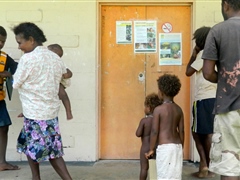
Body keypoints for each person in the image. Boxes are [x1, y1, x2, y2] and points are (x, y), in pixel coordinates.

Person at [12, 22, 72, 180]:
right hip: (50, 114)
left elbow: (16, 83)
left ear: (31, 40)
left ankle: (40, 178)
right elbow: (64, 82)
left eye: (20, 42)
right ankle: (37, 178)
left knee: (40, 150)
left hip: (34, 114)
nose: (19, 47)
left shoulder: (28, 59)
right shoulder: (55, 57)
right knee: (46, 148)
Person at [202, 1, 240, 179]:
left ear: (225, 5)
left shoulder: (217, 31)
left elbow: (208, 73)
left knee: (230, 167)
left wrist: (226, 79)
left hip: (228, 108)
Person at [185, 26, 216, 178]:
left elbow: (188, 71)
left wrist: (194, 53)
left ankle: (206, 167)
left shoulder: (203, 54)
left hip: (204, 98)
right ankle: (206, 166)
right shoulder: (216, 52)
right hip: (214, 97)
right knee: (206, 132)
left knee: (199, 133)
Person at [145, 74, 184, 180]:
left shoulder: (158, 110)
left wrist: (151, 149)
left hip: (165, 148)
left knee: (164, 175)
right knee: (175, 175)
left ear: (161, 92)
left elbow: (154, 131)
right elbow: (181, 131)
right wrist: (181, 147)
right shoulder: (179, 109)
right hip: (177, 147)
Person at [0, 26, 19, 171]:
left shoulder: (4, 57)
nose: (1, 44)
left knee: (3, 128)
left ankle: (2, 163)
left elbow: (18, 68)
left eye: (3, 41)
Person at [136, 93, 162, 180]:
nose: (144, 108)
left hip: (145, 148)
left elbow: (138, 134)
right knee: (155, 168)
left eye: (145, 106)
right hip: (155, 148)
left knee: (144, 168)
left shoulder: (144, 121)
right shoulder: (159, 121)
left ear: (149, 108)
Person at [48, 44, 73, 120]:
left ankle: (68, 112)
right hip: (50, 83)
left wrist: (66, 75)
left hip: (60, 82)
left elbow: (70, 72)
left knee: (62, 94)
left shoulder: (59, 63)